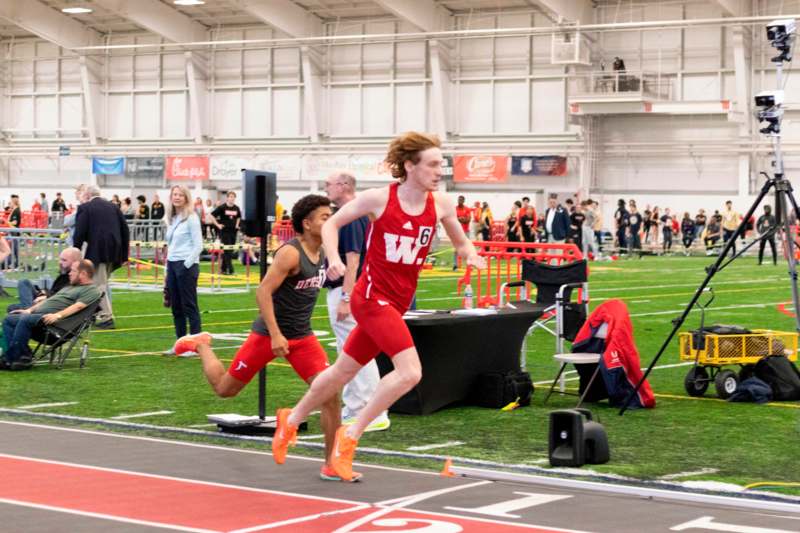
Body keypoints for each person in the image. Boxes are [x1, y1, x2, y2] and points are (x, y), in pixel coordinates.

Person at [270, 132, 485, 482]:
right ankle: (349, 437)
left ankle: (290, 420)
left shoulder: (441, 204)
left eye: (441, 163)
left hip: (397, 301)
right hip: (370, 298)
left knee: (342, 371)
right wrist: (335, 259)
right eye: (432, 164)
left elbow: (461, 243)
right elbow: (333, 224)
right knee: (411, 372)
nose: (439, 170)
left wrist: (471, 254)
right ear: (410, 166)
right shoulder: (378, 199)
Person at [172, 195, 346, 480]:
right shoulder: (290, 253)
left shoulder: (326, 250)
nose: (330, 221)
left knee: (330, 395)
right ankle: (201, 344)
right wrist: (276, 335)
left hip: (302, 337)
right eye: (325, 217)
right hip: (268, 335)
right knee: (225, 390)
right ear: (307, 223)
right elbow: (263, 292)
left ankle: (331, 463)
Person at [322, 171, 390, 432]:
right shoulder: (359, 212)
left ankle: (367, 410)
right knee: (352, 351)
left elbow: (353, 260)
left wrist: (346, 298)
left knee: (353, 352)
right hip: (356, 289)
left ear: (343, 185)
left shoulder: (351, 214)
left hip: (348, 290)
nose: (326, 188)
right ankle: (360, 408)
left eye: (329, 184)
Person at [1, 259, 100, 371]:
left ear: (83, 274)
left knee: (25, 319)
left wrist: (57, 315)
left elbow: (78, 306)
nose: (69, 273)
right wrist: (29, 310)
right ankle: (22, 356)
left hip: (54, 326)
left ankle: (13, 358)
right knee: (9, 320)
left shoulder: (92, 290)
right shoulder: (69, 287)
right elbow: (49, 300)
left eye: (73, 271)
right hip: (39, 319)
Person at [73, 185, 130, 329]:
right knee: (97, 283)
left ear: (87, 195)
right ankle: (93, 315)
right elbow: (125, 231)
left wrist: (76, 251)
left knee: (98, 285)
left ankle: (106, 317)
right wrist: (124, 255)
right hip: (114, 252)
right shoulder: (114, 207)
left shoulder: (85, 208)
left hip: (96, 253)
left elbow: (79, 233)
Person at [162, 186, 204, 355]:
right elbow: (171, 246)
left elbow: (198, 245)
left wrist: (185, 265)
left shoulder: (192, 218)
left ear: (186, 198)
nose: (177, 197)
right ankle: (180, 344)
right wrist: (168, 268)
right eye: (174, 194)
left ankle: (195, 346)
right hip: (172, 265)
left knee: (189, 306)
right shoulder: (172, 218)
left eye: (180, 195)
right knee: (176, 308)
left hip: (186, 266)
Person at [8, 247, 82, 313]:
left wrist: (46, 298)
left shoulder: (74, 277)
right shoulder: (64, 273)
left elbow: (60, 296)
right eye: (60, 259)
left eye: (64, 260)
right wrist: (44, 293)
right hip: (48, 299)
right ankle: (27, 309)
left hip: (52, 305)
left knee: (13, 308)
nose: (60, 262)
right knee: (24, 282)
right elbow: (55, 290)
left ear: (75, 262)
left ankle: (27, 310)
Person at [212, 191, 241, 275]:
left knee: (230, 250)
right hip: (224, 232)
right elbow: (211, 215)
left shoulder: (237, 208)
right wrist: (217, 225)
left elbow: (239, 217)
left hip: (233, 232)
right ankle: (231, 270)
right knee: (227, 250)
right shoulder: (222, 207)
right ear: (227, 198)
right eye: (230, 197)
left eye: (233, 197)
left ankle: (223, 269)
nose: (232, 198)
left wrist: (237, 225)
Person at [454, 195, 471, 270]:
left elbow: (468, 220)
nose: (459, 201)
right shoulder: (454, 209)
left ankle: (469, 265)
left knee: (467, 248)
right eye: (458, 200)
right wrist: (461, 219)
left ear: (463, 201)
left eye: (461, 200)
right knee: (456, 249)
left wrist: (460, 219)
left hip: (466, 231)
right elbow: (453, 219)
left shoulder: (467, 209)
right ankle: (455, 265)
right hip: (457, 231)